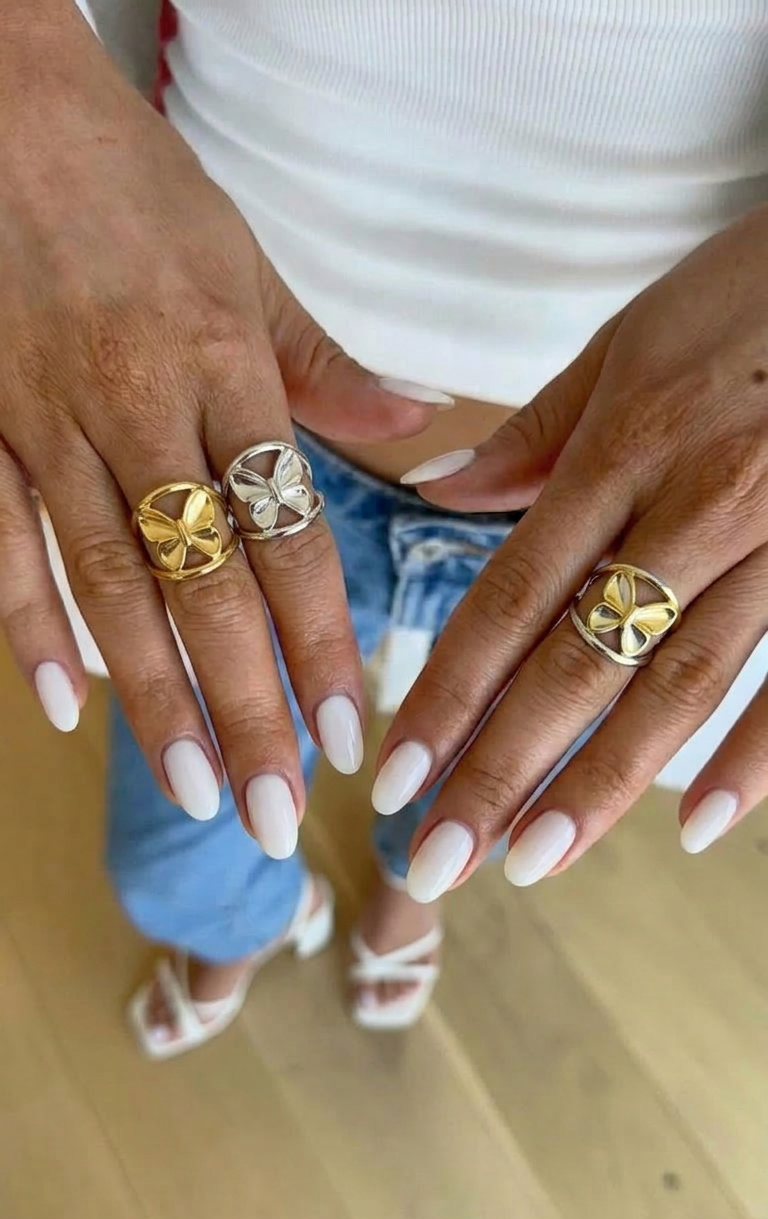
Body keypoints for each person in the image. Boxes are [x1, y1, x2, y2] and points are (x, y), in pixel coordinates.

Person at [4, 0, 768, 1055]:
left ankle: (417, 882)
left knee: (490, 792)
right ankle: (243, 923)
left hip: (657, 495)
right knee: (173, 852)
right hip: (212, 419)